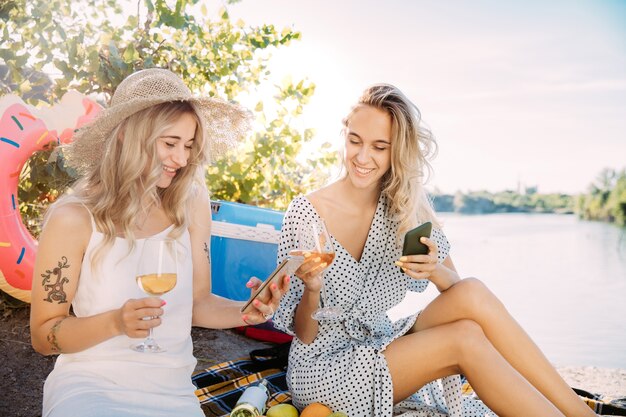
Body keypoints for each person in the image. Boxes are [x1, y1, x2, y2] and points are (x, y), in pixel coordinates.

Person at [273, 84, 596, 417]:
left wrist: (434, 270)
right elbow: (304, 334)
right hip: (324, 371)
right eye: (355, 141)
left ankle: (581, 413)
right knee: (464, 340)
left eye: (379, 147)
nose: (362, 157)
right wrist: (312, 289)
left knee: (472, 291)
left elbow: (459, 294)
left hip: (381, 344)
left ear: (396, 151)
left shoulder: (404, 205)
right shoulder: (305, 212)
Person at [29, 68, 289, 417]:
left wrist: (246, 311)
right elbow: (44, 335)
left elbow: (196, 303)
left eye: (188, 146)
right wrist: (115, 323)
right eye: (169, 143)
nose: (181, 160)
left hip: (173, 390)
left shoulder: (191, 202)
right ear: (127, 135)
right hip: (91, 386)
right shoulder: (73, 218)